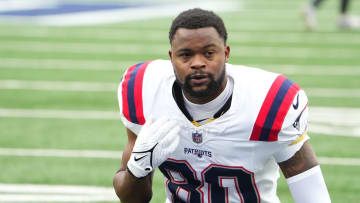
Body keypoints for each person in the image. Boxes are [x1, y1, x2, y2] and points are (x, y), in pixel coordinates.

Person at [113, 8, 331, 203]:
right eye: (186, 55)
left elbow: (311, 192)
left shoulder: (269, 101)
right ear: (171, 58)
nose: (198, 63)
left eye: (209, 53)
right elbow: (133, 199)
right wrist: (137, 168)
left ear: (226, 53)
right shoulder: (145, 90)